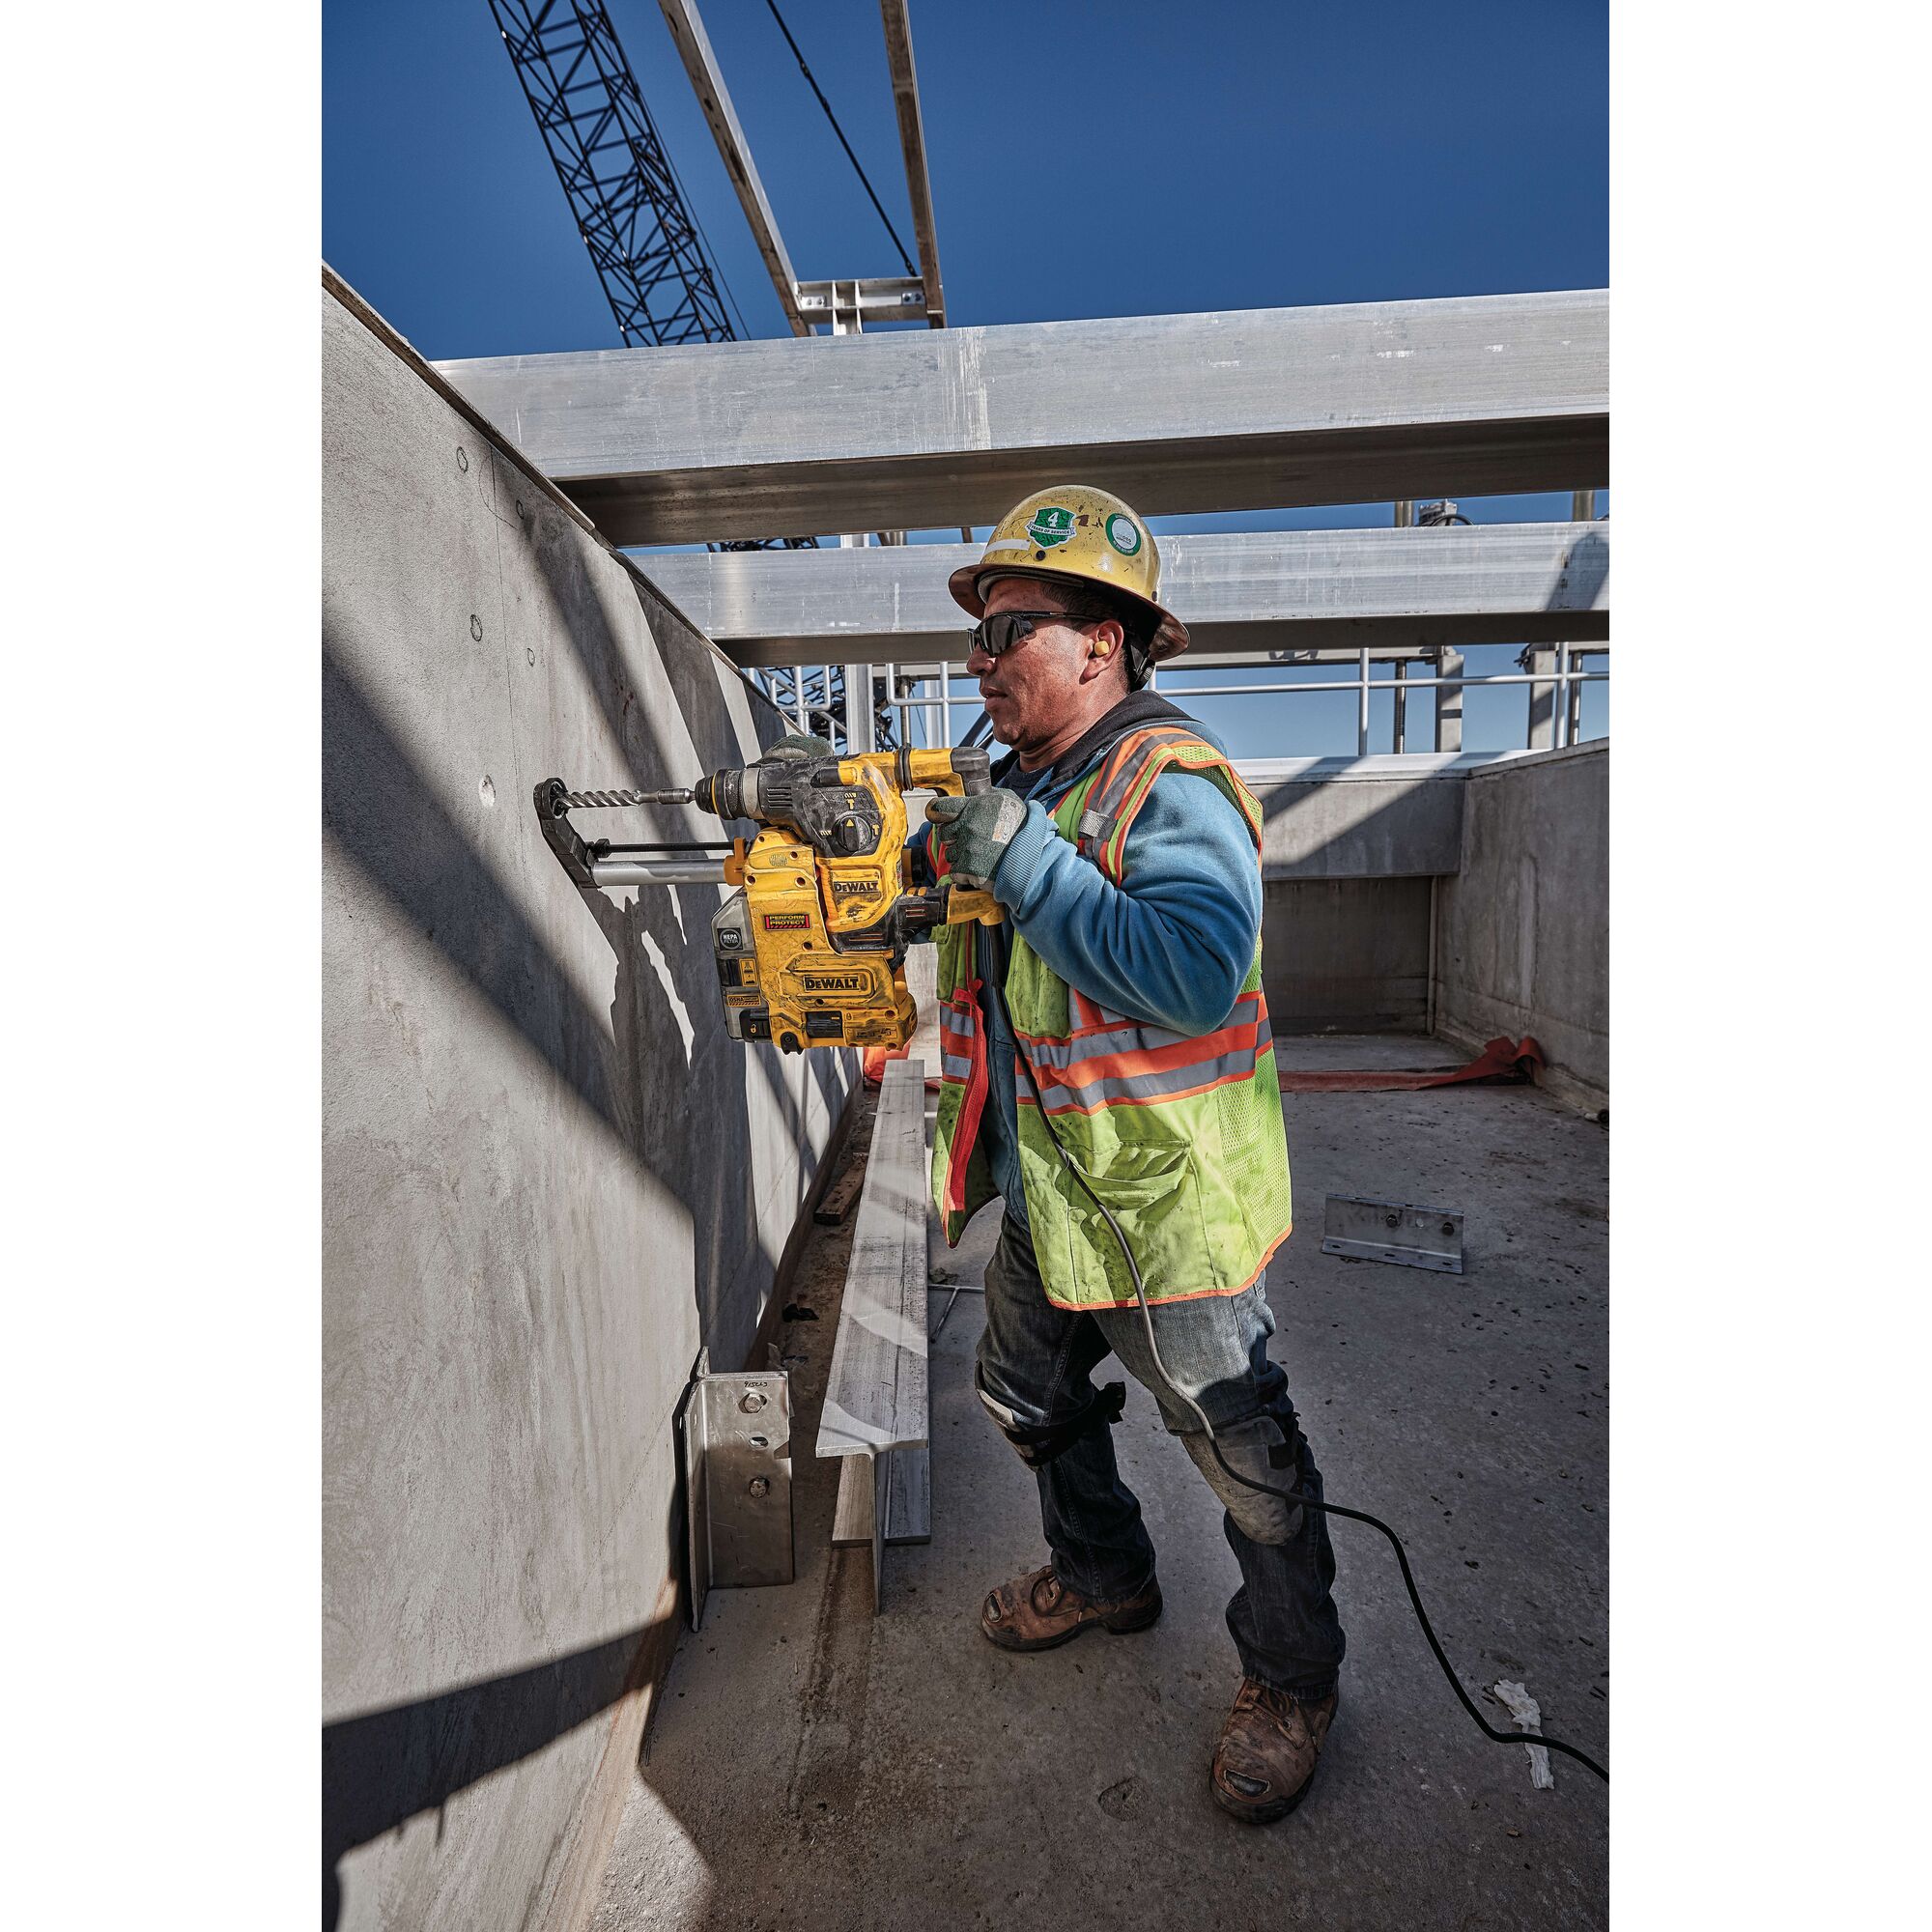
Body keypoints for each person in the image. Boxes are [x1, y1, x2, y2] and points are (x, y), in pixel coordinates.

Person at [918, 486, 1348, 1826]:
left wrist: (1022, 863)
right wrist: (912, 890)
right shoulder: (1021, 788)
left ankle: (1293, 1679)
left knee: (1243, 1453)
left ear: (1103, 640)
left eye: (1010, 634)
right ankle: (1104, 1573)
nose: (981, 665)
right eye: (977, 643)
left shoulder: (1174, 783)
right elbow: (998, 952)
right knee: (1022, 1387)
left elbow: (1193, 973)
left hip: (1167, 1206)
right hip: (1058, 1189)